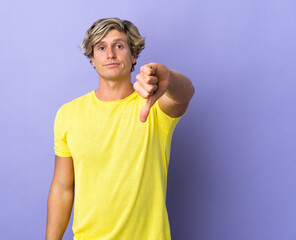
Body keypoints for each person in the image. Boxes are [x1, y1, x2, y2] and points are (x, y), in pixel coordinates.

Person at [46, 17, 194, 240]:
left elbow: (185, 94)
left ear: (133, 55)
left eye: (119, 46)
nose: (110, 54)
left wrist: (168, 77)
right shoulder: (68, 114)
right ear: (92, 58)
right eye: (101, 47)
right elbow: (62, 187)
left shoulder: (154, 105)